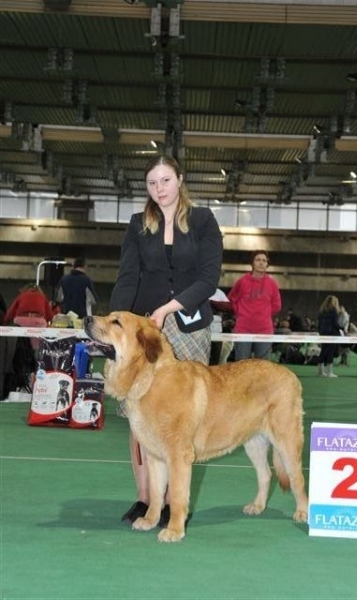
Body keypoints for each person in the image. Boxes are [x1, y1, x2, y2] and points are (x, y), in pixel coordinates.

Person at [108, 154, 223, 526]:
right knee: (138, 417)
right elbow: (128, 276)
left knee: (181, 419)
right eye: (152, 183)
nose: (159, 189)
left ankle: (176, 504)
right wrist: (115, 325)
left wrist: (170, 307)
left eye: (165, 181)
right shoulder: (138, 224)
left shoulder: (203, 220)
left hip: (188, 326)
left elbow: (209, 278)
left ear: (180, 179)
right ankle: (145, 499)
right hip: (145, 330)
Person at [227, 250, 281, 361]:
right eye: (258, 260)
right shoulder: (242, 281)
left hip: (264, 330)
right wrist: (241, 313)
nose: (261, 263)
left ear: (267, 264)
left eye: (264, 260)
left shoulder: (272, 283)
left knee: (263, 368)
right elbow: (231, 300)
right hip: (243, 330)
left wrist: (263, 314)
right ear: (252, 263)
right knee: (241, 366)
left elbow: (277, 305)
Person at [317, 294, 342, 378]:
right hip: (332, 334)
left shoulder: (322, 311)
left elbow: (319, 324)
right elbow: (335, 324)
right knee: (330, 352)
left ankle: (320, 372)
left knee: (323, 351)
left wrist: (320, 332)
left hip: (323, 333)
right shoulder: (334, 311)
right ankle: (329, 372)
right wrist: (342, 328)